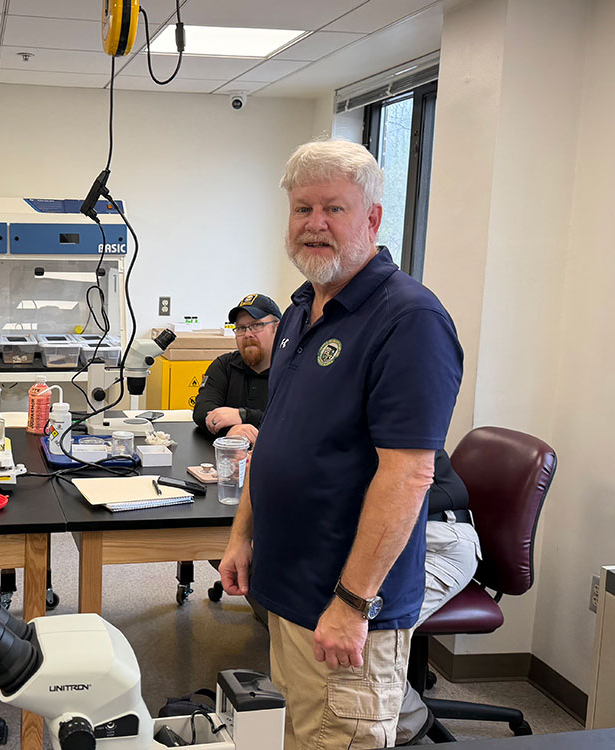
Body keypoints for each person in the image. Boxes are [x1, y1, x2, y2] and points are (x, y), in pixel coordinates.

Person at [219, 139, 463, 749]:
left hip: (344, 603)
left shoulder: (409, 321)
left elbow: (408, 477)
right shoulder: (302, 308)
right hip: (290, 588)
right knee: (304, 732)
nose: (314, 225)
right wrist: (242, 535)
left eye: (334, 208)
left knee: (337, 734)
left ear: (373, 218)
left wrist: (353, 604)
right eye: (303, 209)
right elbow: (274, 436)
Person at [395, 449, 481, 744]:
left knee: (365, 630)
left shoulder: (394, 416)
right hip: (406, 535)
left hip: (441, 543)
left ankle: (410, 720)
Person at [192, 293, 281, 447]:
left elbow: (296, 422)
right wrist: (232, 431)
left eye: (256, 325)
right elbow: (202, 409)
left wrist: (243, 416)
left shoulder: (293, 371)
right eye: (240, 328)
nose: (247, 334)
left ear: (278, 328)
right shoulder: (224, 365)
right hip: (226, 460)